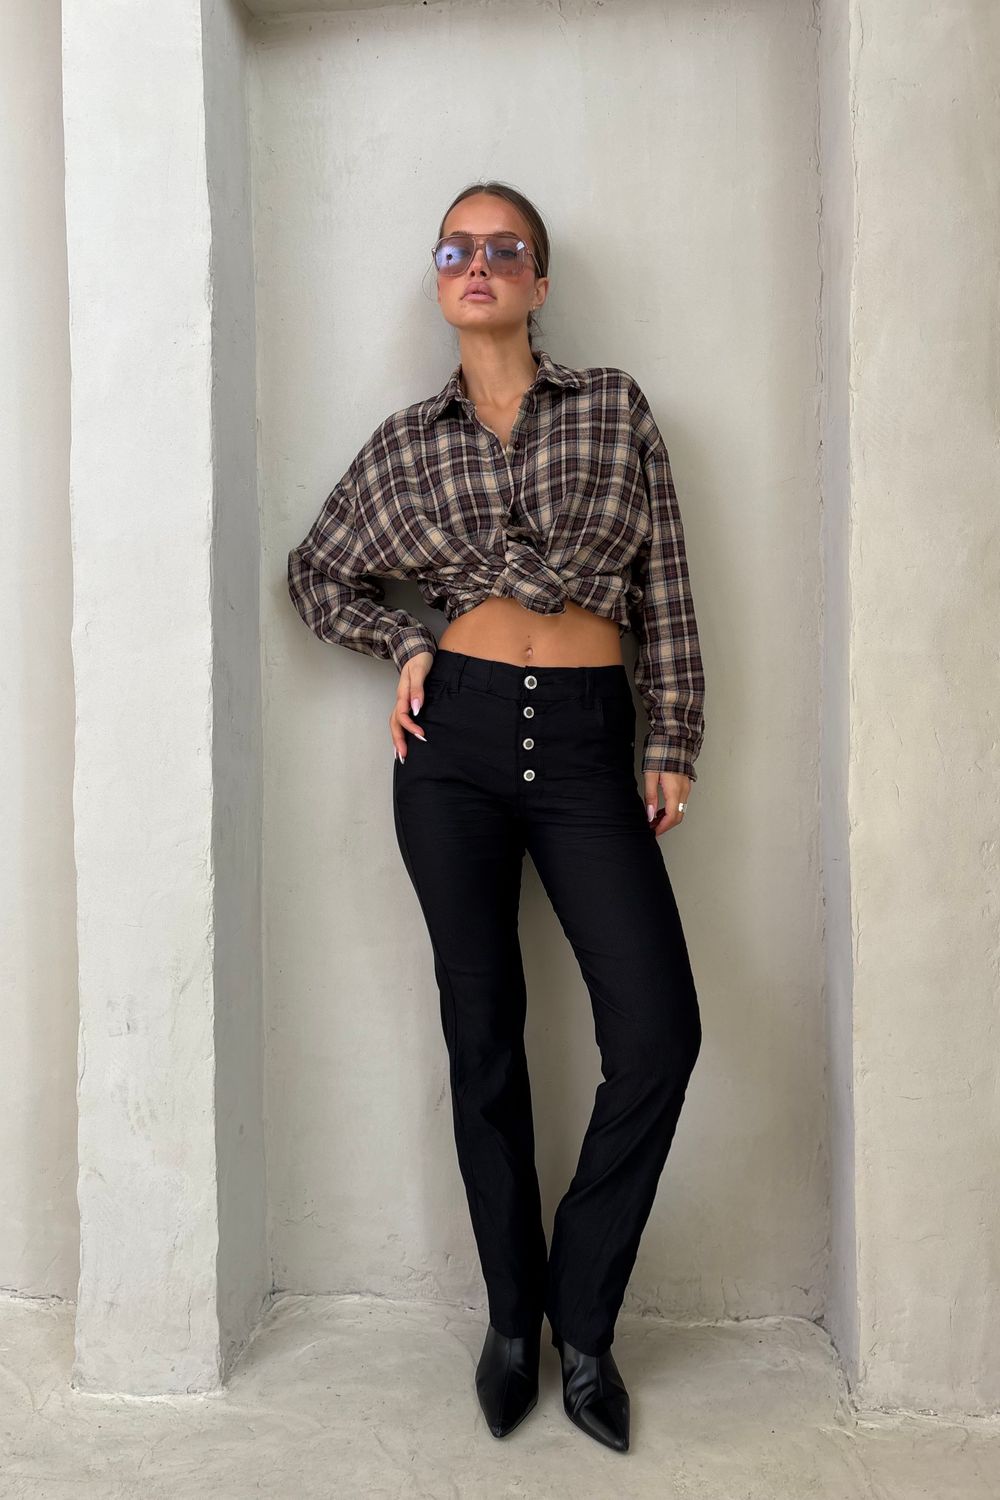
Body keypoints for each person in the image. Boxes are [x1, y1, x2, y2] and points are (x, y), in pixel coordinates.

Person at [286, 180, 705, 1455]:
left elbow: (666, 582)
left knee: (659, 1032)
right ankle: (512, 1322)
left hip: (585, 747)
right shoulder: (405, 444)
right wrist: (407, 643)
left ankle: (585, 1316)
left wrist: (670, 737)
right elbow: (315, 572)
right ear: (438, 281)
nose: (478, 263)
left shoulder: (614, 408)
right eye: (455, 248)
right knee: (483, 1040)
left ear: (537, 280)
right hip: (453, 747)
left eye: (503, 247)